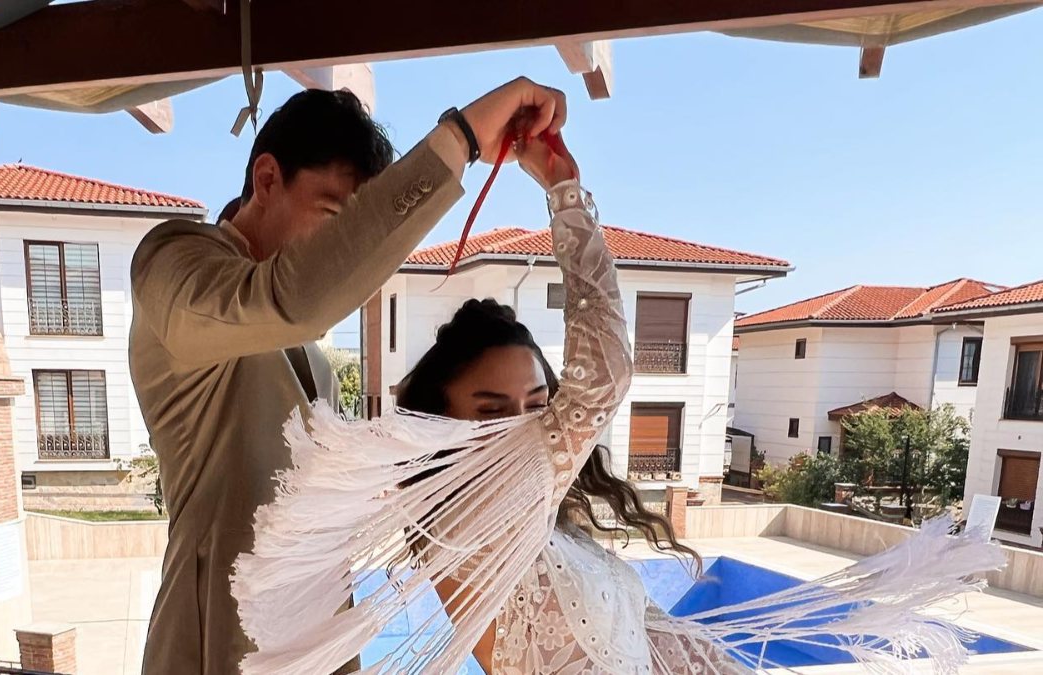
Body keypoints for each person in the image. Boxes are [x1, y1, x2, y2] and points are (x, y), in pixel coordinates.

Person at [233, 134, 1004, 674]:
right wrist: (562, 189)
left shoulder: (535, 525)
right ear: (443, 426)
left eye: (537, 403)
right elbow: (603, 371)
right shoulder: (470, 525)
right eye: (491, 410)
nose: (527, 427)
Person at [128, 78, 568, 675]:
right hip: (216, 642)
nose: (345, 253)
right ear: (267, 179)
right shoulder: (174, 266)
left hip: (317, 639)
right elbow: (296, 297)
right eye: (334, 217)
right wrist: (462, 137)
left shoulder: (310, 353)